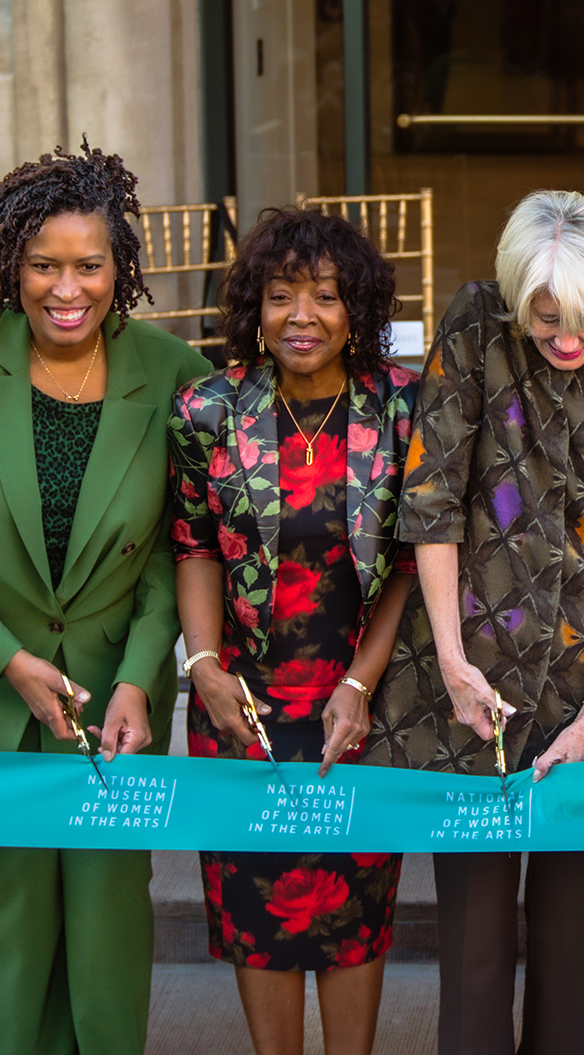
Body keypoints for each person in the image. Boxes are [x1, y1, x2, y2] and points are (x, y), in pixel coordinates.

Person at [0, 143, 210, 1055]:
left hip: (111, 705)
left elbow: (176, 556)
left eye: (89, 265)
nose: (69, 288)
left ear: (120, 266)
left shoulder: (176, 372)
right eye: (44, 265)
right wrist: (10, 663)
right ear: (8, 264)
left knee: (104, 947)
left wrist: (143, 676)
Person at [366, 188, 584, 1055]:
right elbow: (430, 497)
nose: (569, 342)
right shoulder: (476, 325)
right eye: (547, 323)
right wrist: (448, 658)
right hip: (469, 691)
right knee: (471, 958)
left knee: (568, 951)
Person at [168, 208, 419, 1055]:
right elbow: (194, 544)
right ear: (254, 306)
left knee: (353, 915)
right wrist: (202, 666)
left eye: (325, 296)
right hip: (241, 706)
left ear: (358, 309)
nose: (301, 315)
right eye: (281, 296)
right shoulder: (206, 409)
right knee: (255, 914)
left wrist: (361, 682)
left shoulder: (401, 407)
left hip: (361, 704)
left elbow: (417, 564)